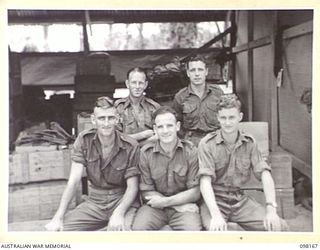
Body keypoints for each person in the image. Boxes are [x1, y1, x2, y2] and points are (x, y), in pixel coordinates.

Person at [45, 96, 140, 231]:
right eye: (101, 118)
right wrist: (58, 216)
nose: (106, 123)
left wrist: (119, 213)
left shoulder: (130, 145)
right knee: (61, 231)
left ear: (117, 119)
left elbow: (132, 187)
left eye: (110, 118)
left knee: (122, 233)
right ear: (93, 120)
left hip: (121, 201)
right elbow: (73, 180)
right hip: (95, 202)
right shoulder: (84, 140)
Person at [198, 94, 289, 231]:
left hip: (239, 201)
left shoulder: (249, 142)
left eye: (232, 117)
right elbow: (205, 181)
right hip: (215, 202)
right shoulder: (207, 144)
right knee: (215, 231)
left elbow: (265, 174)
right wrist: (216, 215)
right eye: (223, 118)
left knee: (279, 227)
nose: (227, 122)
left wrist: (271, 209)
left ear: (240, 117)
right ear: (217, 118)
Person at [132, 106, 202, 231]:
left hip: (185, 207)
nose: (165, 131)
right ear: (155, 129)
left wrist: (168, 203)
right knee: (139, 229)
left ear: (178, 126)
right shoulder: (146, 153)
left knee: (193, 230)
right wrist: (175, 205)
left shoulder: (191, 151)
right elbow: (146, 191)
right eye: (160, 127)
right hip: (155, 207)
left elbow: (195, 191)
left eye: (169, 125)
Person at [172, 54, 223, 146]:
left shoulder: (218, 93)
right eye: (192, 70)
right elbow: (176, 124)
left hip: (216, 140)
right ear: (188, 73)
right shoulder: (180, 97)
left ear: (206, 71)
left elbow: (225, 116)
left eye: (200, 69)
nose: (197, 74)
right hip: (191, 143)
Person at [115, 67, 160, 144]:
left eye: (140, 83)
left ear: (145, 84)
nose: (137, 87)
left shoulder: (154, 107)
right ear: (127, 84)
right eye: (133, 82)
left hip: (148, 154)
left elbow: (159, 136)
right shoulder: (118, 107)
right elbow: (115, 138)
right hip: (125, 154)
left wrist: (131, 141)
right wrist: (142, 135)